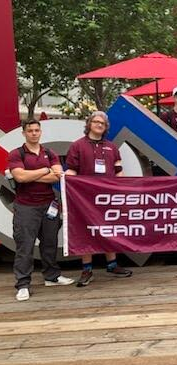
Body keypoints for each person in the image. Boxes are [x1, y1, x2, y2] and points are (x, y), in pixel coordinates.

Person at [8, 119, 74, 301]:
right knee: (25, 247)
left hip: (49, 205)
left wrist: (32, 175)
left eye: (37, 130)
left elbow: (57, 176)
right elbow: (19, 177)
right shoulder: (17, 154)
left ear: (40, 132)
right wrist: (44, 170)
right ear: (24, 133)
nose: (34, 133)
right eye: (30, 131)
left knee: (49, 243)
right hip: (25, 207)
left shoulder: (49, 152)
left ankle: (52, 276)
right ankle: (22, 284)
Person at [65, 111, 133, 287]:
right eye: (96, 122)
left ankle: (112, 264)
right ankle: (87, 269)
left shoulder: (112, 147)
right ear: (89, 124)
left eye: (102, 123)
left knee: (108, 229)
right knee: (85, 231)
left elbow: (119, 172)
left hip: (107, 197)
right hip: (85, 198)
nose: (99, 125)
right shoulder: (77, 146)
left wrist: (125, 190)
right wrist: (65, 179)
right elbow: (72, 170)